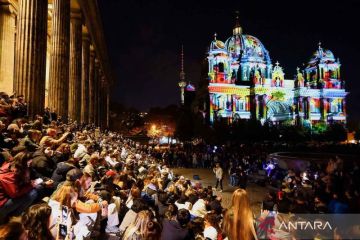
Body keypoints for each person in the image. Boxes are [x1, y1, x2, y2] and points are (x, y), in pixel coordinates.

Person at [0, 152, 38, 224]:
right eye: (29, 162)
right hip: (1, 205)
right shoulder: (8, 176)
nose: (30, 163)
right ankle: (13, 219)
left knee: (32, 191)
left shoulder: (11, 165)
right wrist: (31, 185)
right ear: (25, 163)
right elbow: (15, 194)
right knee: (32, 194)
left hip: (6, 197)